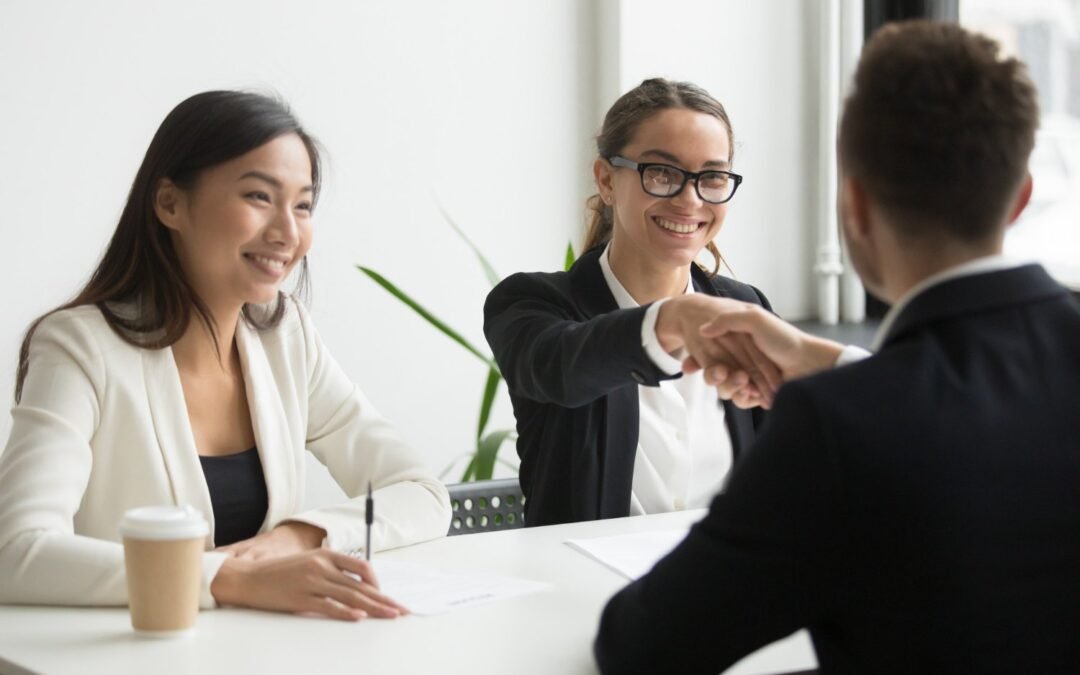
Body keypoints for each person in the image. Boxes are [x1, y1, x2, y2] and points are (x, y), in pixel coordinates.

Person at [595, 20, 1080, 674]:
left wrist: (840, 388)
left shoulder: (838, 427)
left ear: (852, 206)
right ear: (1020, 196)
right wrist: (833, 366)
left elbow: (644, 644)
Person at [0, 91, 451, 621]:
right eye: (259, 197)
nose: (288, 232)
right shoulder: (80, 347)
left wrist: (299, 536)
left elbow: (421, 493)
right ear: (170, 203)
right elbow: (15, 552)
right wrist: (231, 577)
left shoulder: (287, 337)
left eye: (303, 205)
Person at [483, 78, 799, 527]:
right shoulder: (534, 304)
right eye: (662, 173)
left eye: (711, 177)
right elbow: (560, 368)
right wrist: (670, 320)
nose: (690, 200)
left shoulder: (746, 306)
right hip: (584, 592)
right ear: (606, 179)